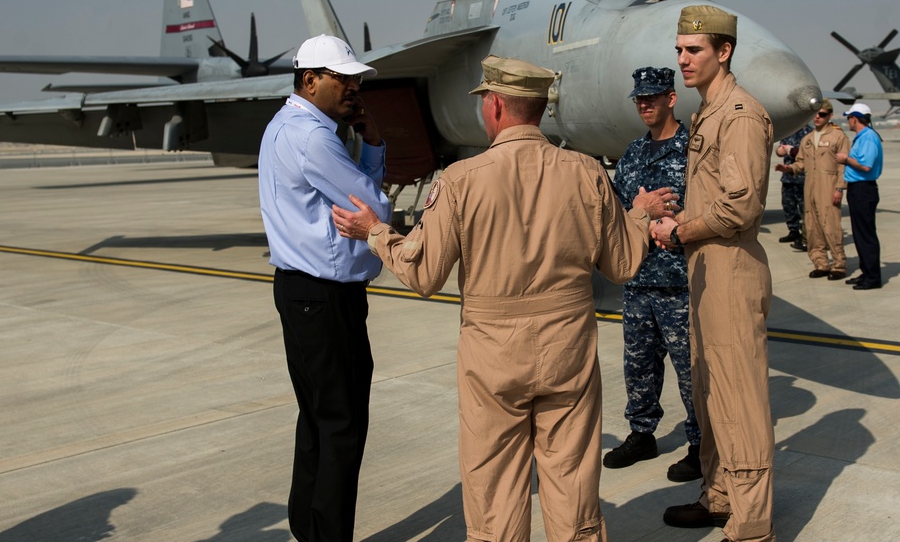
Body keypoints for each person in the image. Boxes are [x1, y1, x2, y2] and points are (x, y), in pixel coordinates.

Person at [332, 55, 676, 542]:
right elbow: (621, 266)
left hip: (493, 358)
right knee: (574, 491)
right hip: (568, 352)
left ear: (493, 105)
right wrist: (639, 217)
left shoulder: (460, 179)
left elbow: (424, 273)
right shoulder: (585, 172)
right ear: (540, 109)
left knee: (494, 501)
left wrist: (375, 232)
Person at [258, 33, 391, 542]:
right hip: (324, 297)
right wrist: (375, 148)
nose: (354, 87)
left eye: (356, 79)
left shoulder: (285, 124)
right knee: (342, 423)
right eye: (344, 78)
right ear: (310, 80)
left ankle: (309, 529)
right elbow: (372, 209)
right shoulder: (314, 136)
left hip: (300, 291)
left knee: (317, 418)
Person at [652, 5, 777, 542]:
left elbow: (741, 208)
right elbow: (716, 198)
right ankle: (721, 495)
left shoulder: (740, 114)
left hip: (729, 270)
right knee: (710, 392)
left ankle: (751, 526)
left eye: (694, 50)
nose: (682, 59)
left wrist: (680, 231)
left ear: (723, 52)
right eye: (679, 49)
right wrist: (681, 217)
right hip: (706, 269)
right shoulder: (710, 110)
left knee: (738, 400)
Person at [604, 66, 701, 483]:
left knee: (691, 368)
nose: (645, 104)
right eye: (640, 98)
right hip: (639, 280)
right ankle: (642, 433)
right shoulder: (631, 156)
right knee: (639, 365)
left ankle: (702, 443)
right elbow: (617, 216)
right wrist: (642, 212)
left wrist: (677, 223)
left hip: (681, 282)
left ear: (671, 98)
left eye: (653, 96)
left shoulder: (693, 151)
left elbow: (708, 207)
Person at [774, 100, 850, 280]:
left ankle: (839, 265)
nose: (817, 117)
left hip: (829, 187)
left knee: (831, 228)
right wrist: (789, 168)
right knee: (813, 228)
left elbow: (843, 167)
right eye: (815, 114)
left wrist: (840, 188)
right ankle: (821, 264)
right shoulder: (807, 140)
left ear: (830, 116)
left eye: (822, 114)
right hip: (810, 188)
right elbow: (801, 163)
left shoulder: (838, 137)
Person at [836, 101, 885, 290]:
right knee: (859, 234)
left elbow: (866, 165)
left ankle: (872, 278)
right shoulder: (863, 136)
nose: (848, 121)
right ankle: (866, 272)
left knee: (866, 235)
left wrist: (845, 159)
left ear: (854, 118)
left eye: (849, 117)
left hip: (864, 189)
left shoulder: (868, 137)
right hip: (857, 189)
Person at [775, 124, 813, 250]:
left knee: (804, 209)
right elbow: (780, 149)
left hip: (802, 178)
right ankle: (793, 231)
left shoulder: (810, 133)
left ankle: (806, 235)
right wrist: (779, 152)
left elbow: (809, 155)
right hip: (788, 177)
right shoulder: (788, 130)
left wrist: (791, 150)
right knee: (788, 205)